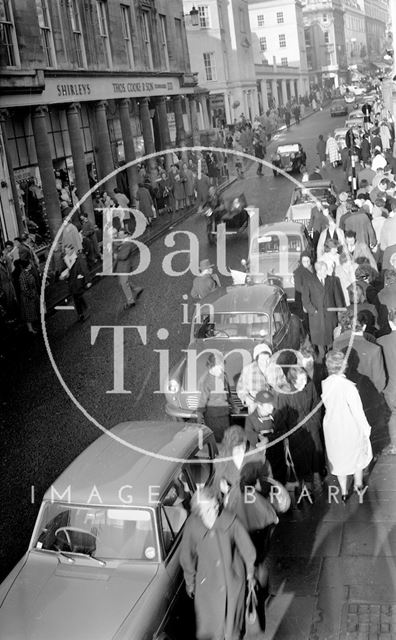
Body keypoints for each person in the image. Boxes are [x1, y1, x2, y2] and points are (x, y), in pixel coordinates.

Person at [180, 486, 256, 640]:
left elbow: (247, 547)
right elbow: (186, 556)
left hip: (233, 581)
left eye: (215, 505)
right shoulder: (192, 525)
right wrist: (190, 581)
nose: (214, 510)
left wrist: (250, 572)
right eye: (208, 508)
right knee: (210, 626)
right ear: (198, 511)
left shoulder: (230, 519)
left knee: (232, 626)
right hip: (207, 584)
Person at [321, 350, 373, 501]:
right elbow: (358, 411)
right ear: (343, 366)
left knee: (339, 459)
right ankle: (358, 485)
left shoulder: (326, 384)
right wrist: (366, 428)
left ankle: (344, 492)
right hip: (349, 426)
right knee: (356, 456)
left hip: (332, 427)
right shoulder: (349, 386)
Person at [334, 310, 386, 393]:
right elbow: (380, 382)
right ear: (364, 326)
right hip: (367, 395)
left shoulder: (337, 344)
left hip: (345, 393)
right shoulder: (374, 349)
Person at [302, 261, 345, 360]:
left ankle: (330, 356)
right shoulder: (309, 281)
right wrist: (313, 311)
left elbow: (338, 298)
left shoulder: (332, 280)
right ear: (319, 270)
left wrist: (341, 312)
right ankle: (321, 359)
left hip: (330, 316)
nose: (327, 272)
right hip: (317, 317)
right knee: (320, 340)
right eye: (325, 270)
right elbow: (305, 299)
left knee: (331, 337)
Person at [196, 353, 237, 442]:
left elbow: (228, 393)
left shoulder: (223, 376)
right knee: (216, 440)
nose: (221, 369)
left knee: (226, 438)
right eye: (219, 367)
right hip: (212, 417)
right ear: (211, 366)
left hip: (224, 414)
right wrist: (199, 421)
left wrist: (234, 406)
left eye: (222, 366)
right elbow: (201, 403)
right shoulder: (204, 381)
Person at [378, 307, 396, 454]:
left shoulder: (381, 342)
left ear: (390, 323)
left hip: (391, 389)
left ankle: (395, 445)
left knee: (394, 416)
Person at [237, 342, 274, 413]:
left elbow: (283, 386)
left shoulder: (275, 369)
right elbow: (241, 389)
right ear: (257, 358)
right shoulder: (248, 370)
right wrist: (246, 398)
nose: (265, 362)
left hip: (272, 406)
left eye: (267, 359)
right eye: (262, 359)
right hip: (254, 406)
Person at [112, 230, 144, 309]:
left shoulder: (128, 243)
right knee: (123, 282)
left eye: (120, 235)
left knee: (123, 283)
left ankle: (130, 301)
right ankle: (137, 289)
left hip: (125, 266)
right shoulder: (122, 242)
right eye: (118, 234)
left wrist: (117, 255)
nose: (119, 236)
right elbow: (115, 247)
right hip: (121, 266)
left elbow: (123, 256)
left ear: (126, 235)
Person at [59, 244, 90, 322]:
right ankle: (84, 310)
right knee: (77, 297)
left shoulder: (79, 258)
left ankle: (81, 314)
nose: (66, 252)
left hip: (78, 280)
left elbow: (85, 269)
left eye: (68, 250)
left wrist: (88, 281)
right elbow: (63, 269)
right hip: (71, 282)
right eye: (65, 251)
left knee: (77, 297)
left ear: (72, 250)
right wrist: (62, 275)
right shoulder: (65, 259)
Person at [18, 258, 40, 334]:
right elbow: (24, 289)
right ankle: (30, 329)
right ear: (26, 266)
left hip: (31, 296)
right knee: (28, 315)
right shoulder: (23, 276)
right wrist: (31, 295)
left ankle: (32, 327)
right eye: (29, 264)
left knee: (31, 313)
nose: (31, 265)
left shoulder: (27, 273)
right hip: (27, 298)